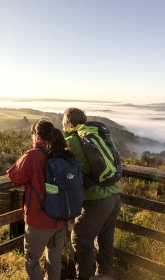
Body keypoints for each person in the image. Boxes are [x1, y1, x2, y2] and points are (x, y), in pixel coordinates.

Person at [6, 120, 75, 280]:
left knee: (31, 262)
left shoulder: (33, 155)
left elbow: (13, 176)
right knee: (54, 261)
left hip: (39, 220)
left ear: (36, 135)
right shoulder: (61, 154)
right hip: (60, 220)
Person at [62, 108, 121, 280]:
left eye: (64, 122)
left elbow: (84, 168)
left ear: (70, 123)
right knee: (105, 242)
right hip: (114, 197)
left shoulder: (73, 139)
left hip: (97, 201)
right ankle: (104, 276)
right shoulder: (96, 135)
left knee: (80, 239)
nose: (63, 125)